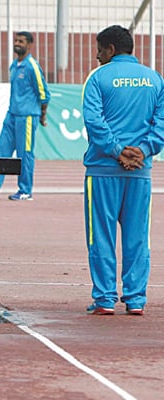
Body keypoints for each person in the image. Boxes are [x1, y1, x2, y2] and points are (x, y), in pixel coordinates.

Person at [81, 25, 164, 316]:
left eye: (100, 50)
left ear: (111, 50)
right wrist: (144, 150)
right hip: (140, 172)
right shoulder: (154, 79)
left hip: (103, 170)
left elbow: (93, 121)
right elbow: (161, 122)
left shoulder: (98, 78)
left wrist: (117, 151)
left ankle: (105, 299)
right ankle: (136, 299)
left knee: (100, 236)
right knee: (137, 236)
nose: (97, 56)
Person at [0, 31, 49, 201]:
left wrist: (42, 115)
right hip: (12, 115)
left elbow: (44, 93)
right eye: (16, 40)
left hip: (27, 117)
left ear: (29, 45)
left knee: (25, 154)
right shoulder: (14, 65)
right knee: (1, 151)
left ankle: (25, 190)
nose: (17, 43)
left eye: (21, 41)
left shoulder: (32, 67)